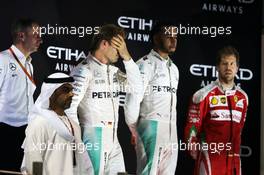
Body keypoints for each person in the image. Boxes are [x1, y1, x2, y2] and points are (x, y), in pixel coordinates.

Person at [65, 24, 142, 175]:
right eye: (118, 46)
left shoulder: (114, 71)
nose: (120, 51)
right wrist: (78, 141)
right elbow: (69, 108)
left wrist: (128, 58)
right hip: (93, 137)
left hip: (113, 140)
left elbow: (137, 88)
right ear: (104, 44)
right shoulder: (84, 70)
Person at [184, 46, 248, 175]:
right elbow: (192, 128)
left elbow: (239, 130)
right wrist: (200, 154)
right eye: (224, 63)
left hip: (234, 161)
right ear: (217, 67)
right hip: (210, 160)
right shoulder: (203, 95)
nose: (228, 67)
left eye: (232, 64)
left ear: (237, 68)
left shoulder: (243, 97)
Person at [129, 22, 179, 174]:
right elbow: (132, 101)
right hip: (151, 126)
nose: (173, 40)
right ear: (156, 39)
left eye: (175, 36)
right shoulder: (145, 65)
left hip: (171, 129)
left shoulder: (174, 69)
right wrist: (133, 129)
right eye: (168, 36)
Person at [21, 73, 89, 175]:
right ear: (51, 93)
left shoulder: (74, 125)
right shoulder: (40, 123)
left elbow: (84, 161)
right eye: (66, 90)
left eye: (72, 90)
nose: (72, 94)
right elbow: (33, 161)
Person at [0, 18, 42, 171]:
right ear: (21, 36)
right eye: (36, 35)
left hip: (25, 131)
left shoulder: (29, 65)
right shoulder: (3, 59)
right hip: (5, 131)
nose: (40, 39)